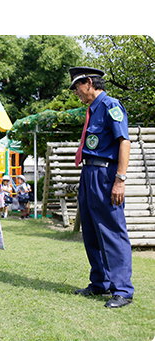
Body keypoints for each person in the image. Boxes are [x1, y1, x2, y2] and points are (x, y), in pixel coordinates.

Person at [69, 66, 134, 308]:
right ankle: (100, 283)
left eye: (77, 87)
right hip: (89, 173)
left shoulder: (110, 106)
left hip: (106, 174)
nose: (76, 92)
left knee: (112, 231)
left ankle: (123, 290)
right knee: (91, 231)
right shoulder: (92, 111)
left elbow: (124, 142)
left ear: (88, 82)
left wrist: (120, 179)